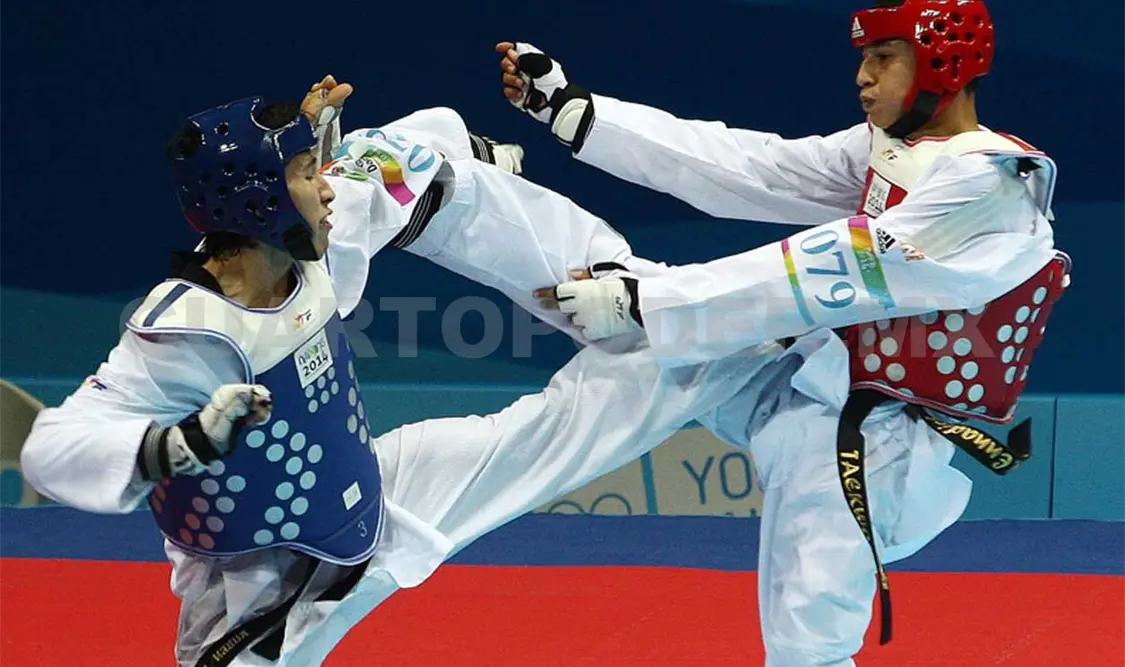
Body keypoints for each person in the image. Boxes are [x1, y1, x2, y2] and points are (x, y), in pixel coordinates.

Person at [18, 77, 788, 666]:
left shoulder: (313, 241)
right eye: (300, 173)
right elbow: (53, 447)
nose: (324, 184)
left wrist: (468, 151)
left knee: (576, 420)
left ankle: (759, 332)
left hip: (377, 492)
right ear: (254, 203)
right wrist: (171, 446)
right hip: (268, 576)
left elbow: (391, 161)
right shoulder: (187, 333)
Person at [498, 0, 1071, 664]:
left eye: (883, 59)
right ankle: (451, 207)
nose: (862, 75)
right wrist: (581, 114)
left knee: (808, 649)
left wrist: (647, 300)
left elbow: (830, 268)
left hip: (877, 441)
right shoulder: (890, 150)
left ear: (945, 64)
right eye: (862, 57)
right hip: (804, 381)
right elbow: (753, 167)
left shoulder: (991, 184)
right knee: (614, 305)